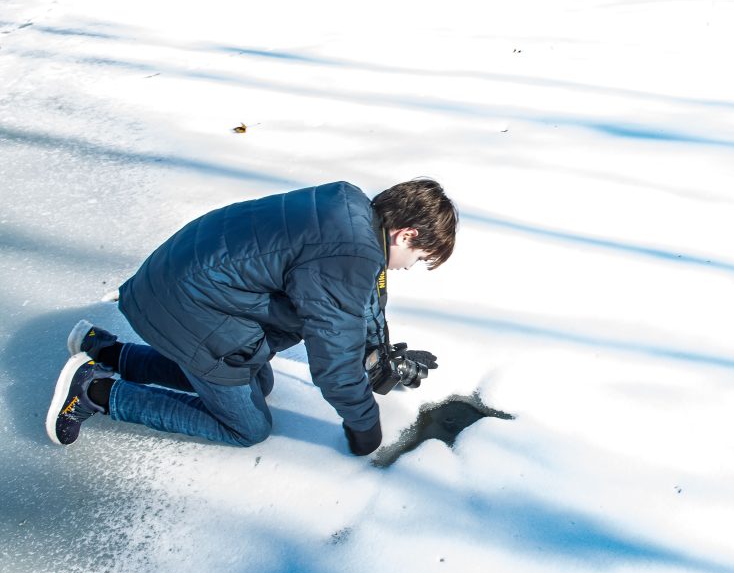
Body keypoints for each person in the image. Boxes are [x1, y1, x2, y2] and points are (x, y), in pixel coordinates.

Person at [45, 179, 457, 456]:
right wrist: (365, 427)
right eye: (418, 259)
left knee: (260, 379)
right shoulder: (353, 254)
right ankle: (97, 392)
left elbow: (355, 303)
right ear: (407, 235)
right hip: (186, 308)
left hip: (171, 283)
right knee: (248, 427)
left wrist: (384, 357)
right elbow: (333, 362)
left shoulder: (348, 208)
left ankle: (110, 353)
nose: (406, 268)